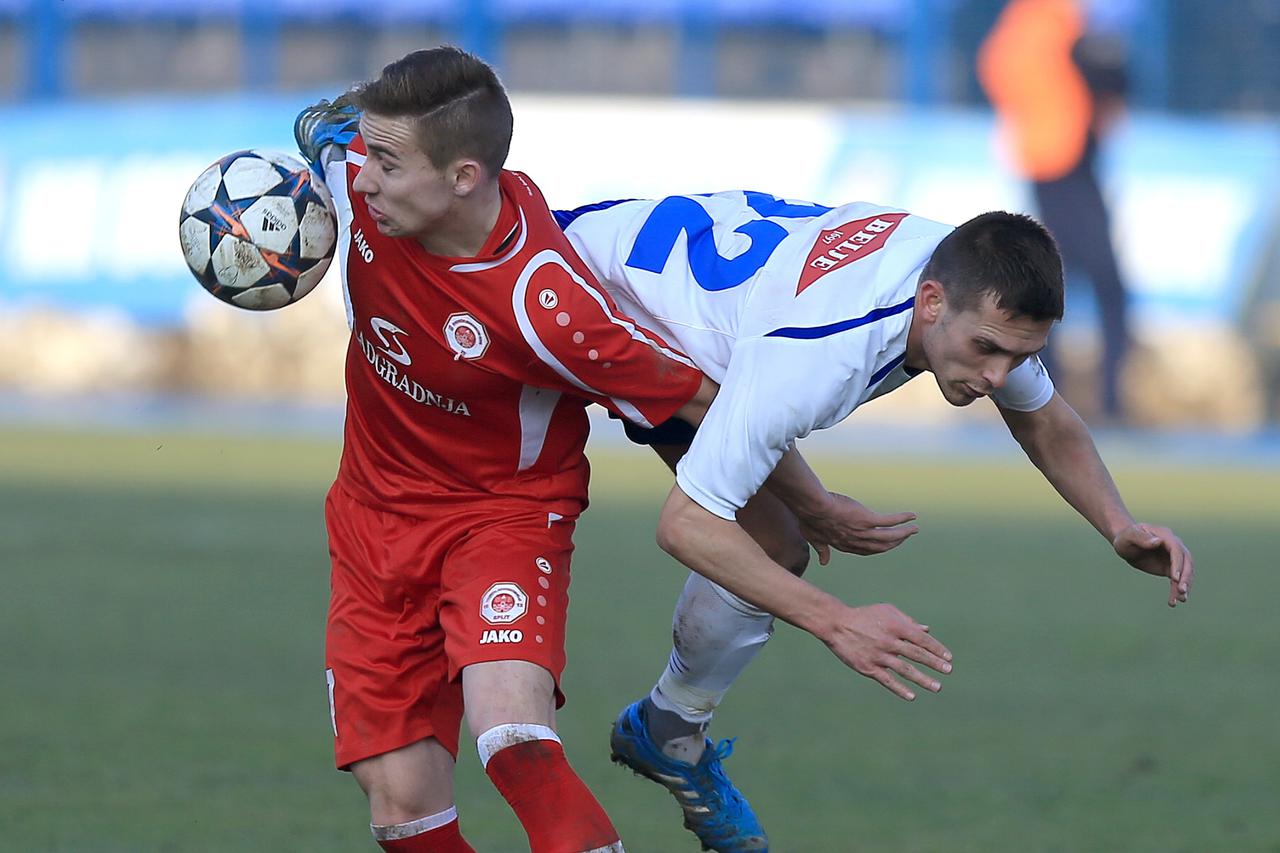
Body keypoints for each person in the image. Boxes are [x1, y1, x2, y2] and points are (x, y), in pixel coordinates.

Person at [558, 191, 1195, 852]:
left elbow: (1045, 419)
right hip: (560, 286)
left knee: (777, 546)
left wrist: (1118, 523)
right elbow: (686, 525)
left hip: (673, 320)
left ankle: (667, 730)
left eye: (1016, 356)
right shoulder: (824, 354)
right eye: (986, 350)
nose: (997, 375)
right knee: (487, 572)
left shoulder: (971, 280)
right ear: (930, 302)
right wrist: (839, 620)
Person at [291, 47, 720, 853]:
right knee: (400, 805)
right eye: (365, 155)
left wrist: (807, 500)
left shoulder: (548, 305)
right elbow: (323, 129)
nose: (364, 178)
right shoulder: (362, 178)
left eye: (385, 162)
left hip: (501, 516)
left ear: (462, 176)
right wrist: (329, 135)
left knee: (512, 740)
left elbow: (703, 400)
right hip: (371, 522)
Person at [978, 0, 1133, 423]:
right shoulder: (1057, 20)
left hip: (1041, 158)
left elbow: (995, 72)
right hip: (1069, 159)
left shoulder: (1016, 28)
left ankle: (1051, 392)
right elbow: (1111, 70)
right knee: (1105, 282)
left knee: (1055, 280)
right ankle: (1110, 397)